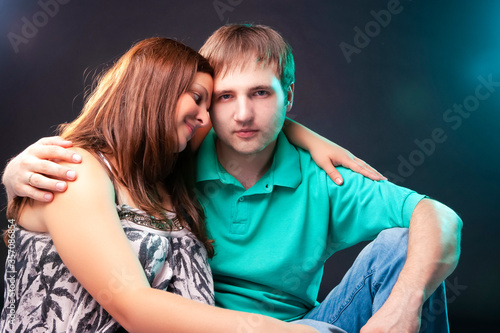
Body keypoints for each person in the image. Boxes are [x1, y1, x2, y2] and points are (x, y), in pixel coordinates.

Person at [2, 24, 462, 333]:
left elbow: (438, 216)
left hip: (300, 326)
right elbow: (133, 303)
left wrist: (402, 308)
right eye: (221, 98)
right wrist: (13, 173)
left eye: (262, 93)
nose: (241, 114)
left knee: (405, 245)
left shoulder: (322, 176)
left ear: (288, 96)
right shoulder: (176, 153)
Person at [0, 37, 324, 333]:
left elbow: (251, 126)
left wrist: (312, 140)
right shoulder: (76, 170)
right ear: (155, 91)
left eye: (208, 106)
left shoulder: (167, 173)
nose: (204, 118)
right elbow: (134, 305)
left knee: (378, 254)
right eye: (198, 99)